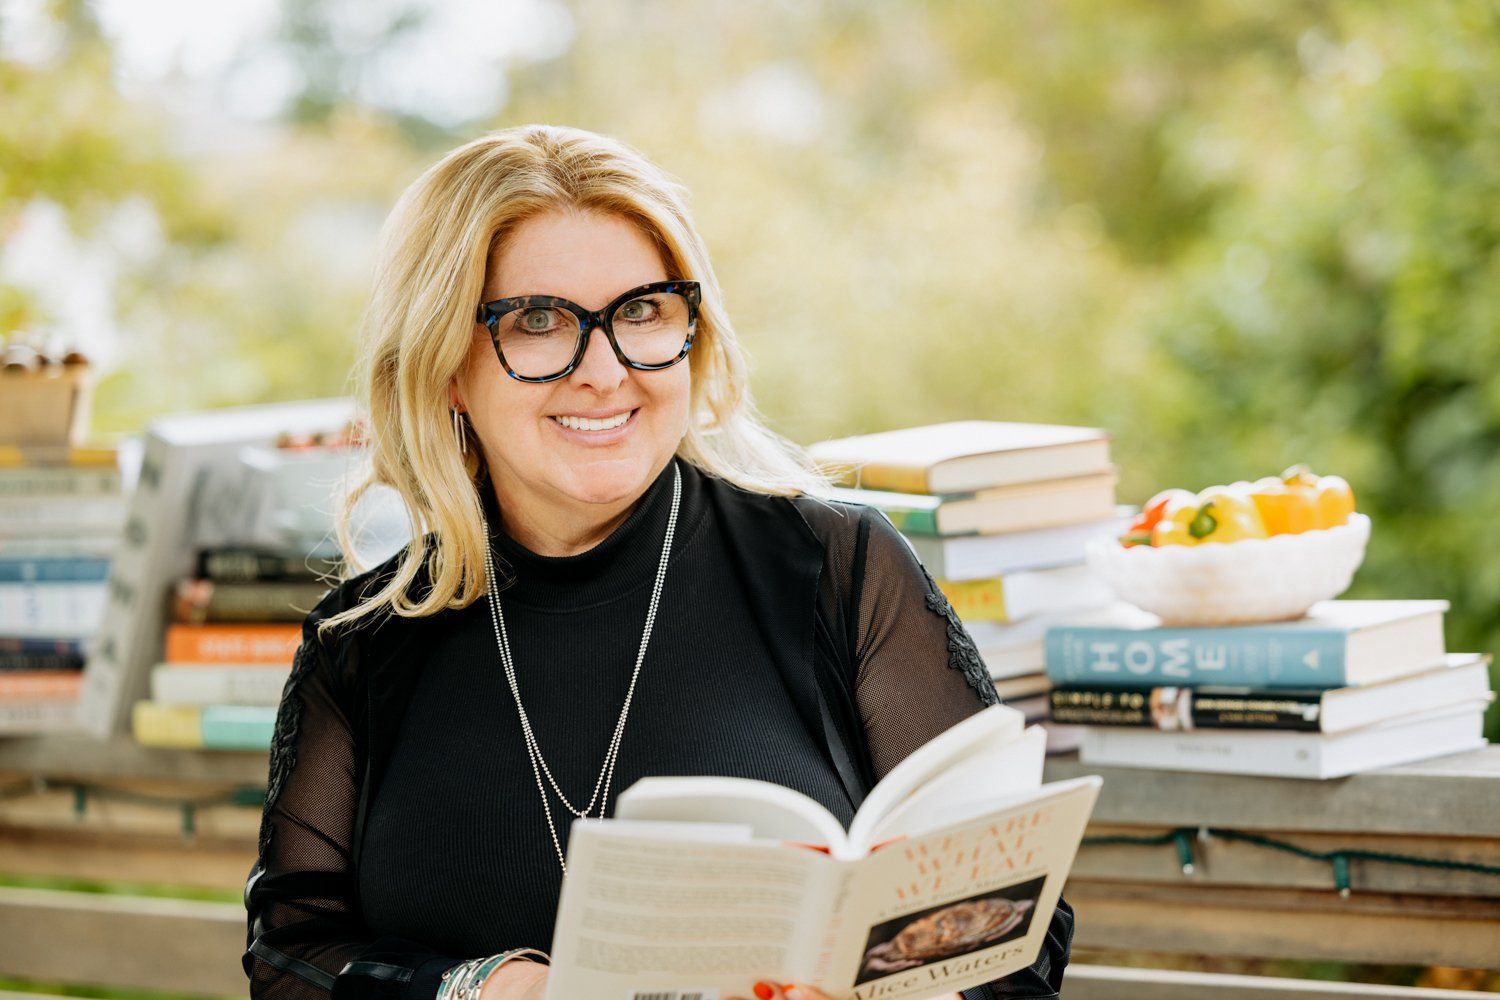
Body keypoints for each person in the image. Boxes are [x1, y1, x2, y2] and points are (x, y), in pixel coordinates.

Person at [243, 124, 1073, 1000]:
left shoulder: (841, 570)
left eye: (641, 312)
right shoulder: (366, 641)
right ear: (447, 364)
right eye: (537, 321)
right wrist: (493, 990)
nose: (605, 372)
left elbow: (1018, 936)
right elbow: (291, 959)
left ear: (692, 332)